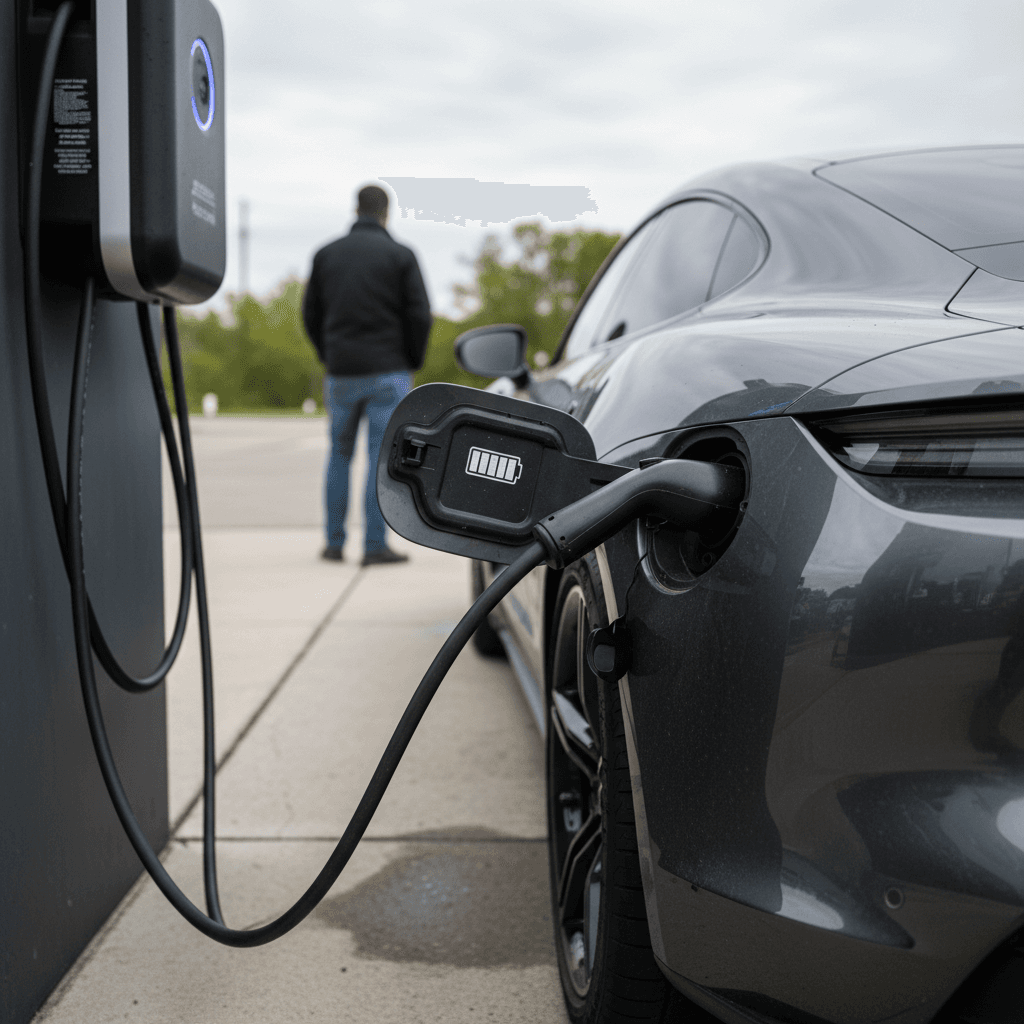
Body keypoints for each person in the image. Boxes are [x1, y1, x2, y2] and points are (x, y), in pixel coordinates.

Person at [303, 184, 432, 565]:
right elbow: (420, 315)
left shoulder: (326, 254)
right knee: (380, 458)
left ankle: (333, 543)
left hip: (340, 371)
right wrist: (411, 359)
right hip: (388, 371)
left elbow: (310, 314)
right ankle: (374, 547)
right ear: (386, 213)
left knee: (339, 454)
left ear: (355, 209)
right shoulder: (401, 255)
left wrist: (329, 354)